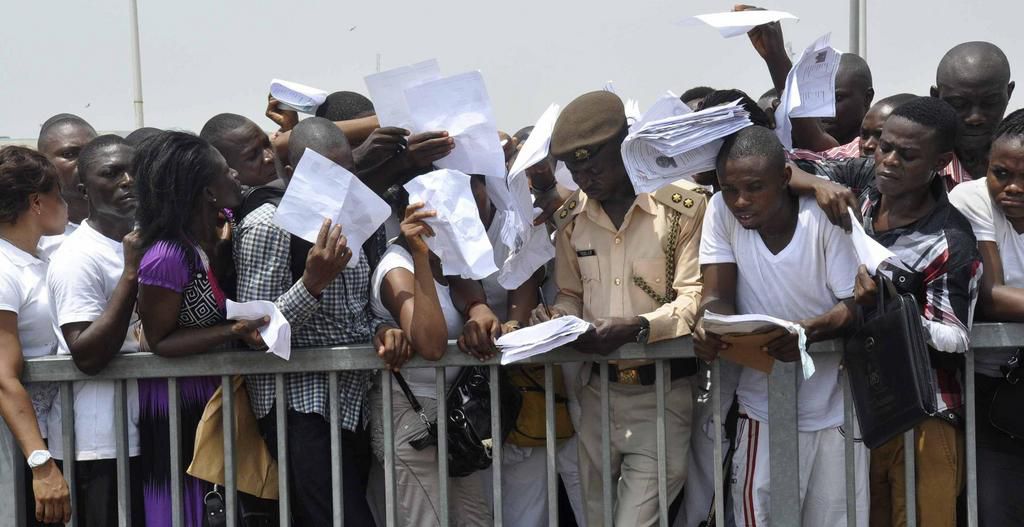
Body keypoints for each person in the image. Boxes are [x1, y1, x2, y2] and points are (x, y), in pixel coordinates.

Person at [794, 96, 982, 527]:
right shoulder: (862, 181)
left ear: (942, 162)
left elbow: (956, 336)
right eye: (883, 146)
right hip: (864, 410)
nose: (889, 161)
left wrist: (889, 304)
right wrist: (815, 184)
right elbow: (779, 165)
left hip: (926, 417)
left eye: (907, 155)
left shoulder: (951, 239)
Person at [529, 91, 706, 527]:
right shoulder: (572, 219)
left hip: (661, 395)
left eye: (595, 166)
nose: (586, 178)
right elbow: (570, 293)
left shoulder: (682, 208)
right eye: (575, 169)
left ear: (626, 148)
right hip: (596, 394)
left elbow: (694, 299)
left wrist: (637, 328)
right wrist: (555, 317)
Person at [234, 116, 404, 525]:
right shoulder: (265, 226)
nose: (340, 183)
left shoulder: (352, 219)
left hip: (351, 405)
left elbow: (354, 314)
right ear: (291, 173)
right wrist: (312, 283)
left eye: (346, 171)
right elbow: (253, 333)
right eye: (326, 172)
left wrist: (380, 330)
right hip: (298, 408)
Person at [693, 125, 865, 526]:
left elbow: (854, 303)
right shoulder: (719, 211)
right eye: (730, 188)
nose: (741, 200)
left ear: (785, 178)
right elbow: (716, 293)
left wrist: (807, 331)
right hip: (762, 409)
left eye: (755, 187)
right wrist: (708, 324)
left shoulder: (821, 217)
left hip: (836, 411)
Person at [133, 131, 269, 527]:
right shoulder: (165, 256)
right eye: (225, 170)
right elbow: (160, 340)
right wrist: (233, 331)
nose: (234, 174)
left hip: (205, 390)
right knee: (190, 508)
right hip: (179, 398)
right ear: (208, 191)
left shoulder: (196, 243)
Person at [366, 186, 492, 527]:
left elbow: (474, 302)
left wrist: (479, 314)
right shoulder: (396, 266)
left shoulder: (448, 258)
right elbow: (432, 344)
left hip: (454, 417)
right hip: (412, 419)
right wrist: (420, 254)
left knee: (475, 520)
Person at [46, 135, 146, 526]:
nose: (128, 181)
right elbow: (85, 353)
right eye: (112, 173)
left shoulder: (140, 239)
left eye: (134, 171)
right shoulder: (77, 257)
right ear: (84, 190)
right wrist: (132, 273)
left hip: (142, 432)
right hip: (97, 443)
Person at [948, 108, 1024, 526]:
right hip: (992, 391)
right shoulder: (971, 197)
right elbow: (992, 297)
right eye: (1001, 173)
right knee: (994, 511)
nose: (1012, 188)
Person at [0, 146, 71, 526]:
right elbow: (2, 377)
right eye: (59, 194)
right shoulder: (3, 269)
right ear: (36, 202)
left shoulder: (38, 257)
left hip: (38, 439)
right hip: (18, 449)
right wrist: (41, 466)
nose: (67, 204)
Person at [738, 5, 874, 151]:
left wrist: (775, 55)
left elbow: (817, 143)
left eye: (837, 98)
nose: (823, 110)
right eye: (816, 98)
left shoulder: (877, 153)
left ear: (867, 98)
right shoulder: (791, 150)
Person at [932, 41, 1015, 186]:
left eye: (990, 102)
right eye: (958, 104)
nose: (975, 118)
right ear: (936, 97)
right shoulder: (916, 171)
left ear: (1009, 93)